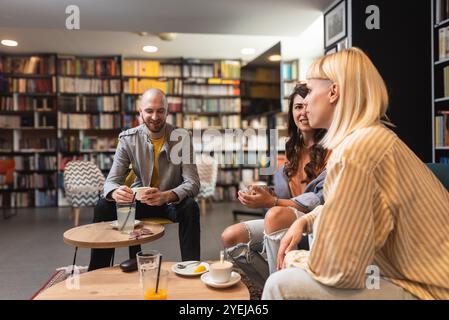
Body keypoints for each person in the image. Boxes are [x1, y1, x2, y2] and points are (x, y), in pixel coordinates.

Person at [263, 47, 449, 300]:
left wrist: (294, 258)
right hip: (429, 278)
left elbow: (341, 270)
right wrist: (306, 220)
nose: (304, 102)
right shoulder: (370, 138)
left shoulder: (354, 152)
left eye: (310, 90)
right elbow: (350, 207)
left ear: (333, 92)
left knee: (280, 285)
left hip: (426, 290)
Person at [221, 83, 330, 277]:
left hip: (314, 224)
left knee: (274, 215)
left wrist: (273, 202)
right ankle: (271, 286)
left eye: (307, 105)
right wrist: (265, 194)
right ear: (291, 113)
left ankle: (277, 290)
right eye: (298, 107)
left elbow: (320, 199)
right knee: (231, 237)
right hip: (285, 219)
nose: (304, 112)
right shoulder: (292, 149)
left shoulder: (332, 149)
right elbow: (287, 192)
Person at [88, 88, 201, 271]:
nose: (155, 116)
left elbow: (193, 183)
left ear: (167, 111)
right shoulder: (127, 139)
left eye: (160, 111)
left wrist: (167, 196)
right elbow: (111, 181)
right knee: (103, 205)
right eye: (149, 111)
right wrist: (115, 192)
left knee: (190, 207)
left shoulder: (182, 138)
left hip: (169, 203)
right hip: (138, 203)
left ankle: (192, 267)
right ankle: (96, 270)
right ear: (140, 112)